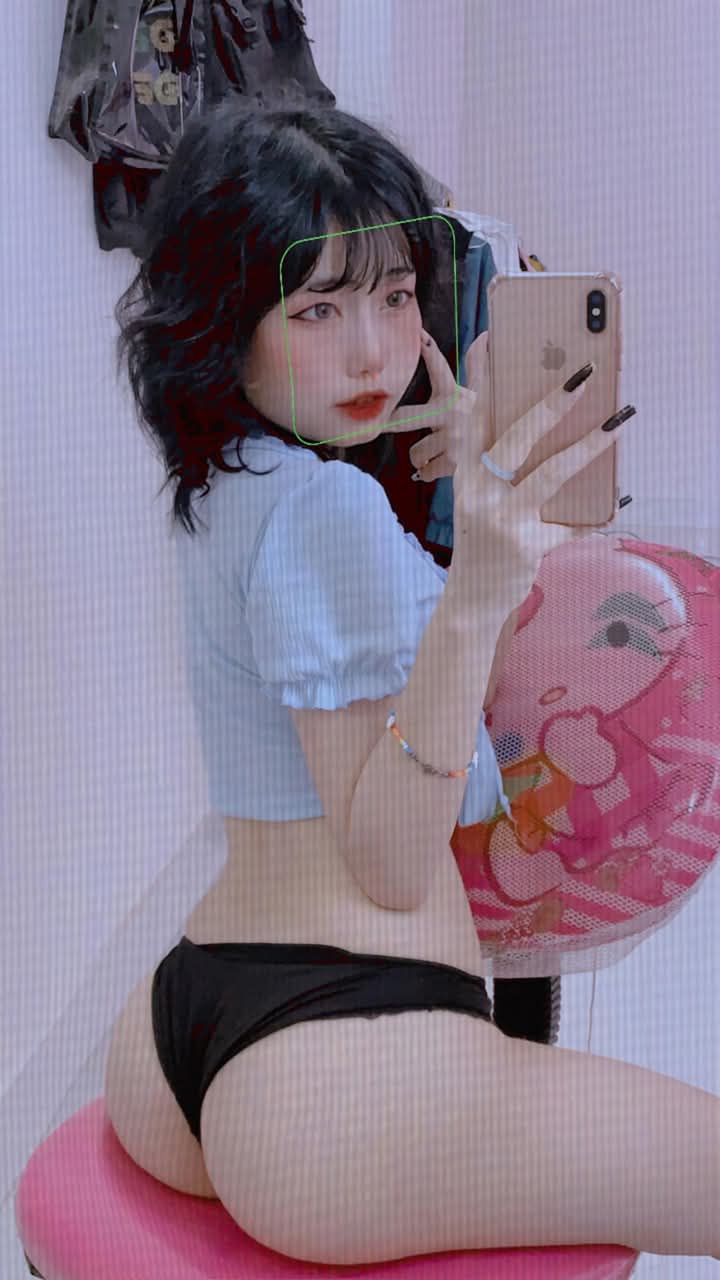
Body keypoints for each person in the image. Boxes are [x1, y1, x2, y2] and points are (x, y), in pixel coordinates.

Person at [104, 97, 719, 1267]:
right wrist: (477, 583)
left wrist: (420, 498)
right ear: (228, 315)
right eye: (318, 308)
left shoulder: (230, 474)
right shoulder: (327, 509)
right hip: (338, 1057)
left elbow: (338, 666)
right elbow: (391, 859)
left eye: (393, 297)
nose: (375, 352)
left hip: (184, 1015)